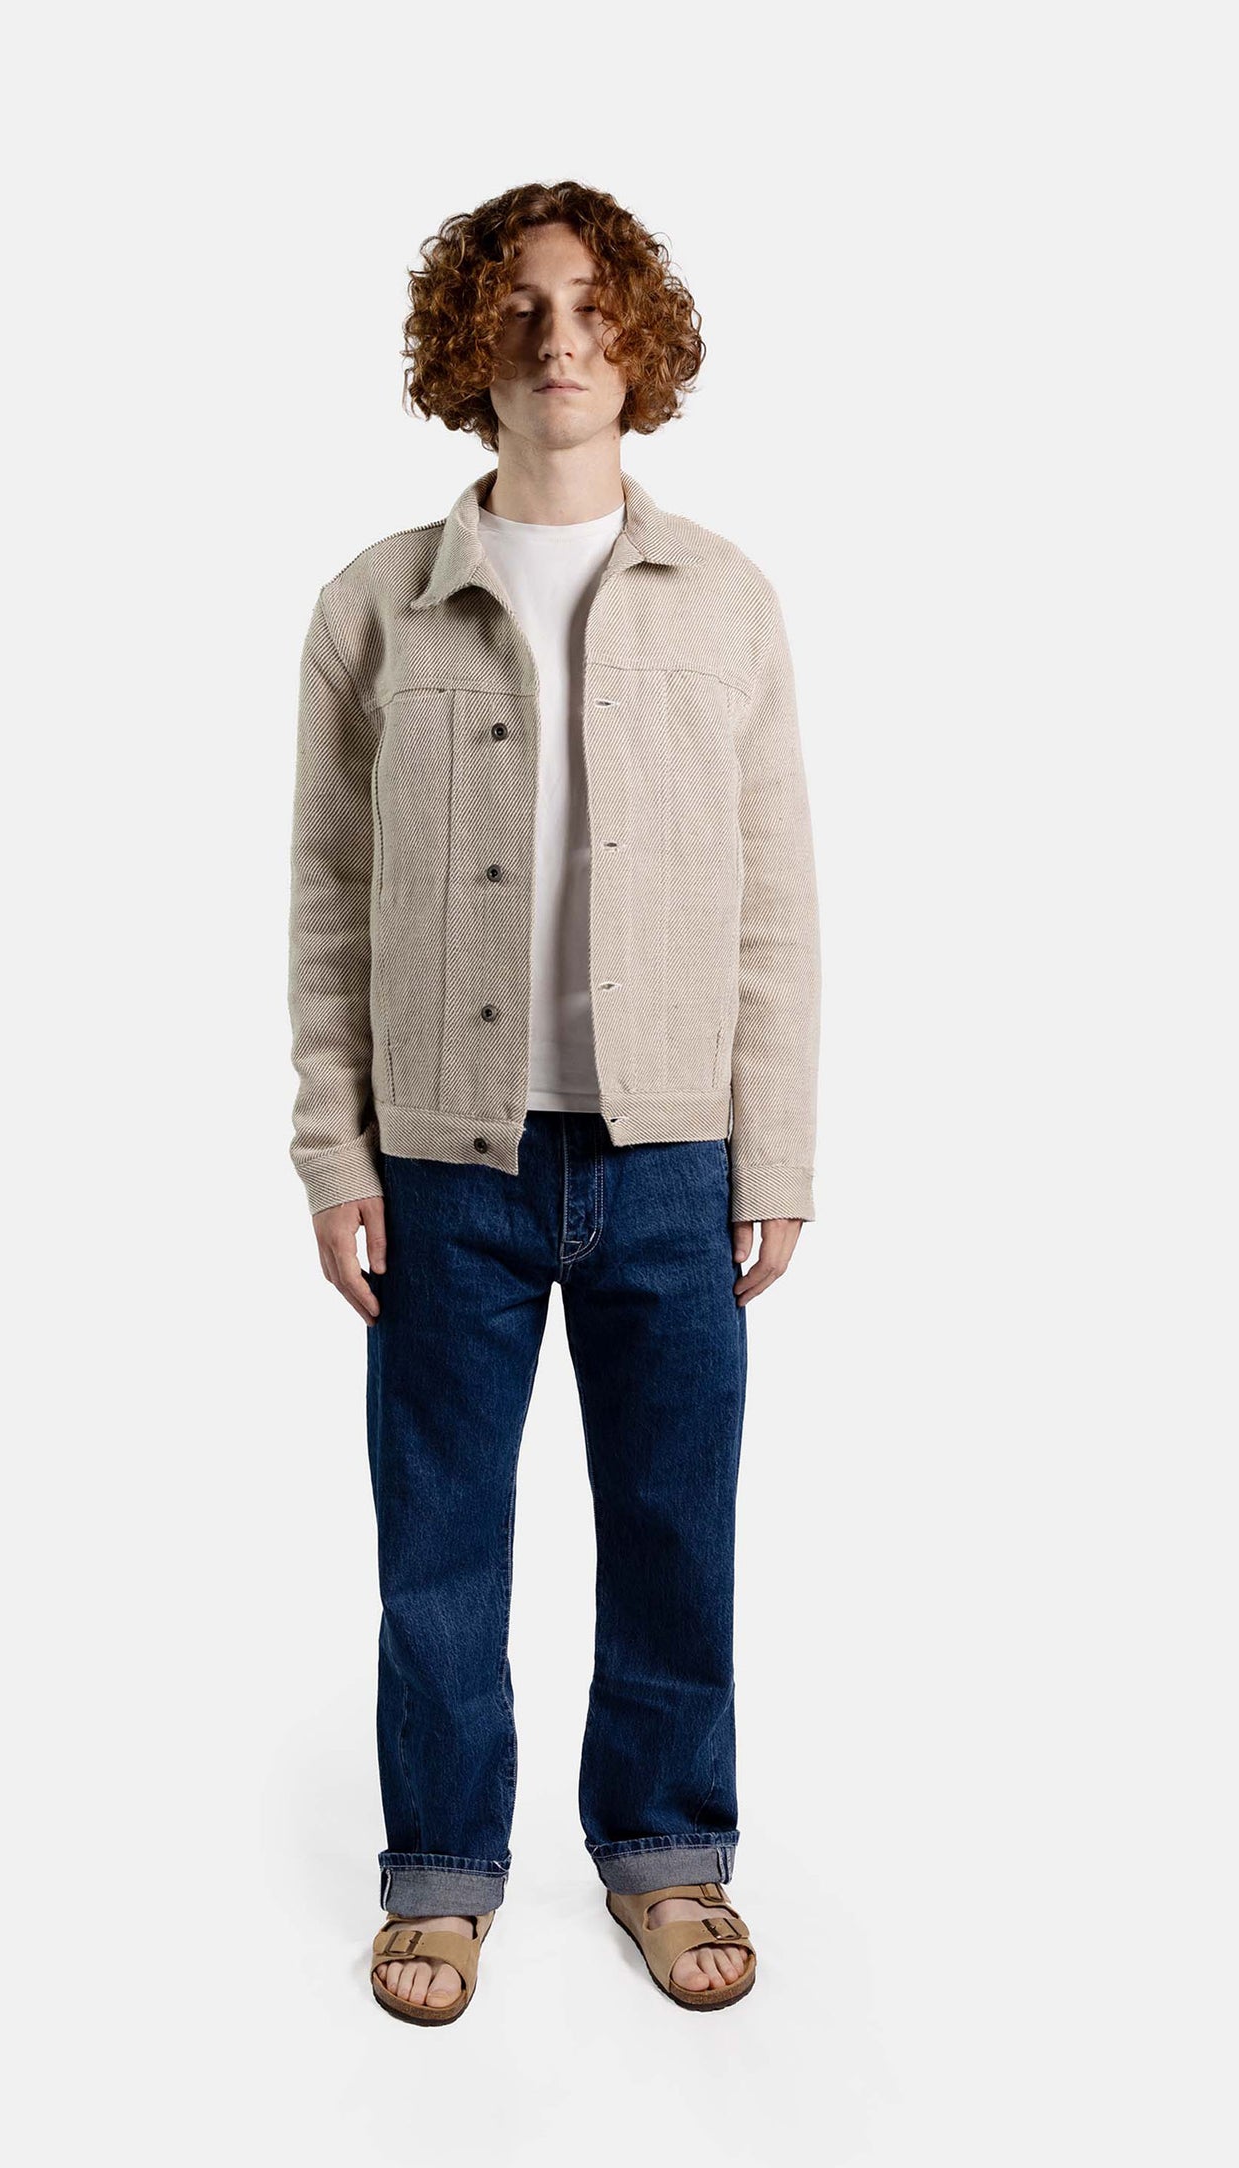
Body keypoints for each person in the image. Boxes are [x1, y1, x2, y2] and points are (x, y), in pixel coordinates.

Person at [287, 180, 820, 2023]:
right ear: (470, 344)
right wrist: (331, 1149)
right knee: (438, 1539)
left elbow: (773, 898)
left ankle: (666, 1854)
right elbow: (327, 895)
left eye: (592, 305)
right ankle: (440, 1874)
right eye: (518, 307)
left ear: (639, 339)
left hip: (671, 1153)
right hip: (445, 1160)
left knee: (673, 1520)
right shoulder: (375, 603)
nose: (560, 337)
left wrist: (775, 1145)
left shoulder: (723, 598)